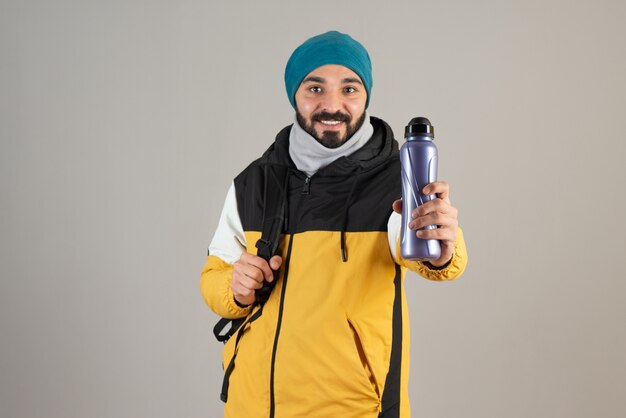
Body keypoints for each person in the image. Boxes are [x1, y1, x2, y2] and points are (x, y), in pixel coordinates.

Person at [200, 30, 468, 418]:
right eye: (314, 88)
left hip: (356, 408)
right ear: (294, 94)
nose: (332, 105)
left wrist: (444, 249)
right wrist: (235, 288)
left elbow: (430, 259)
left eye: (349, 89)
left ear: (366, 96)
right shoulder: (253, 182)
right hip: (254, 405)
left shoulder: (398, 181)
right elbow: (214, 273)